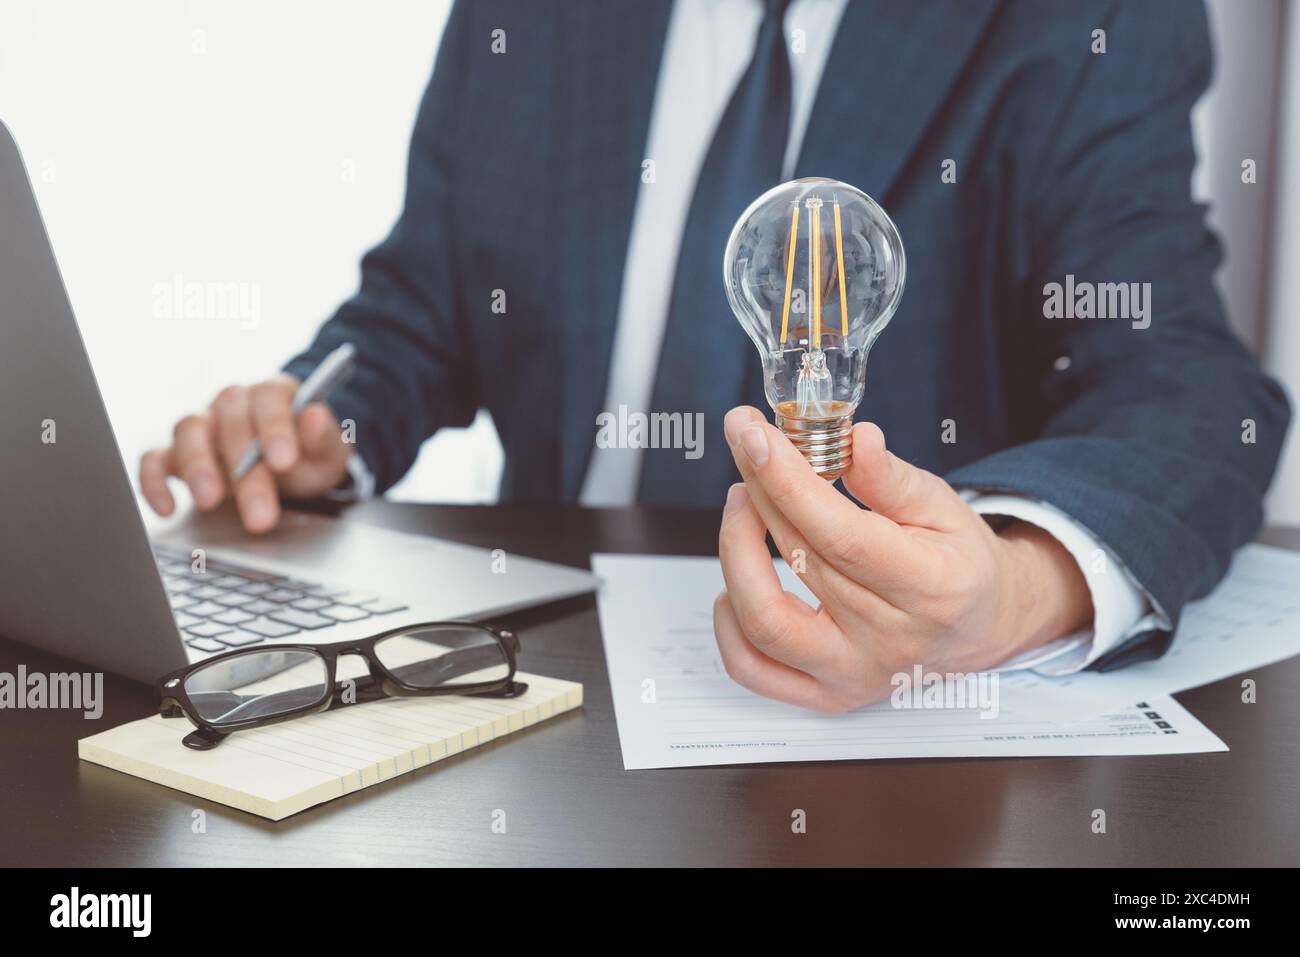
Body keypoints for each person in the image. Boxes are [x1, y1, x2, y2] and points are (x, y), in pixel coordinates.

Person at [138, 0, 1289, 710]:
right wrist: (320, 427)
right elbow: (418, 314)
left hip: (883, 727)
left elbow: (1186, 386)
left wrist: (1012, 587)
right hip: (537, 666)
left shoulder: (1080, 14)